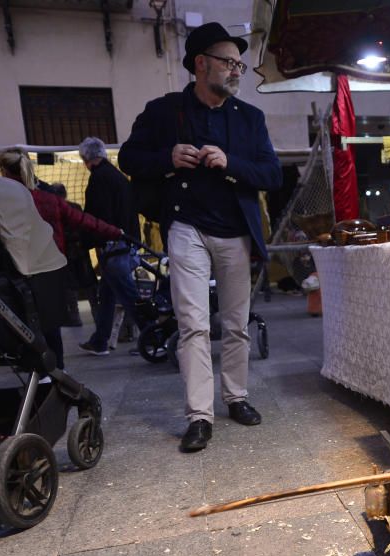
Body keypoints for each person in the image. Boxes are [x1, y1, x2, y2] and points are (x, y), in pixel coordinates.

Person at [119, 22, 282, 452]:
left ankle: (237, 397)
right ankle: (199, 416)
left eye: (240, 65)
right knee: (192, 324)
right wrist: (167, 158)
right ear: (201, 64)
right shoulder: (163, 111)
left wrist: (229, 163)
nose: (236, 72)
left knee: (236, 324)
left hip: (236, 233)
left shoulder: (250, 118)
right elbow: (128, 158)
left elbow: (271, 174)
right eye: (229, 63)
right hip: (186, 226)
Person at [0, 147, 122, 369]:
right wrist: (115, 231)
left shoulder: (3, 202)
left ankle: (33, 366)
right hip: (51, 268)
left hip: (19, 268)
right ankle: (58, 368)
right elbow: (83, 220)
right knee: (51, 322)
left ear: (4, 171)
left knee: (22, 320)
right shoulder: (48, 199)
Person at [76, 136, 148, 356]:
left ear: (86, 159)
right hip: (127, 244)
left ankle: (153, 334)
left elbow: (98, 217)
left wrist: (86, 242)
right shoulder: (118, 177)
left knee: (128, 296)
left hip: (115, 247)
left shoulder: (99, 180)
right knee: (106, 295)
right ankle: (100, 340)